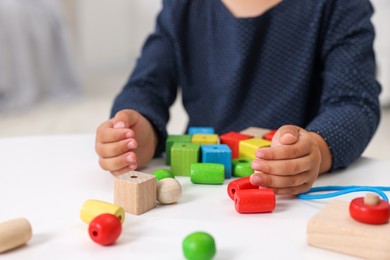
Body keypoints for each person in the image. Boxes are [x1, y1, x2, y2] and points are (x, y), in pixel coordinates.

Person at [95, 0, 381, 195]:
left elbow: (354, 102)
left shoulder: (340, 5)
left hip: (292, 196)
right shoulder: (183, 6)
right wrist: (139, 131)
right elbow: (147, 84)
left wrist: (317, 150)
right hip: (197, 186)